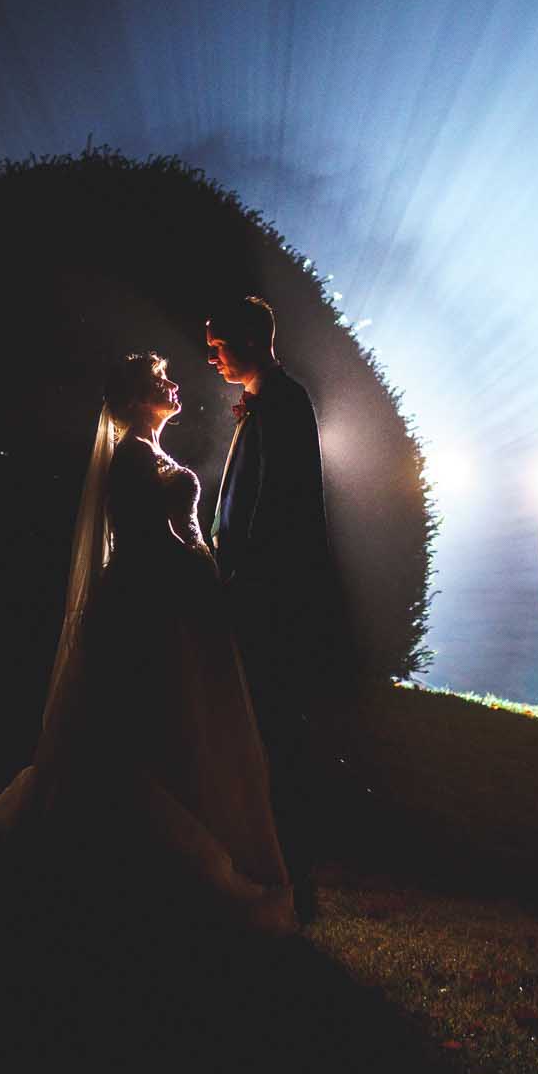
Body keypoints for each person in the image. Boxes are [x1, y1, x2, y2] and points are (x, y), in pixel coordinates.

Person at [0, 352, 295, 935]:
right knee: (133, 735)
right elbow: (148, 543)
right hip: (149, 608)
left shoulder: (153, 454)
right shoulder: (130, 458)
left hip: (174, 606)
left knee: (170, 729)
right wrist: (202, 574)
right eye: (158, 381)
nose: (173, 385)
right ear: (133, 399)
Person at [205, 296, 352, 921]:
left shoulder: (284, 403)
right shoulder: (267, 401)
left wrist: (239, 577)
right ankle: (271, 863)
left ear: (249, 341)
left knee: (277, 734)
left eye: (218, 346)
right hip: (258, 592)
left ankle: (290, 872)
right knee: (263, 731)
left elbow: (276, 507)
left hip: (271, 597)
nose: (212, 357)